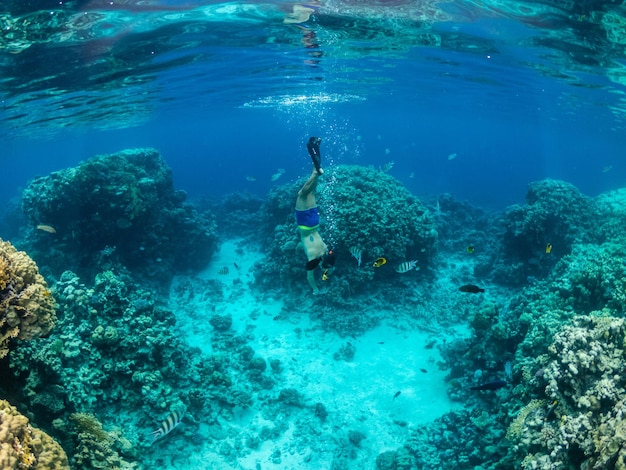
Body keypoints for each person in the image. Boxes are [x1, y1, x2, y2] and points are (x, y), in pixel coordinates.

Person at [295, 137, 333, 293]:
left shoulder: (326, 249)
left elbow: (330, 262)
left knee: (311, 189)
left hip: (315, 222)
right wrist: (315, 289)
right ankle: (317, 169)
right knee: (302, 194)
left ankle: (316, 149)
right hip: (305, 224)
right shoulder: (312, 257)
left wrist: (328, 267)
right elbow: (309, 276)